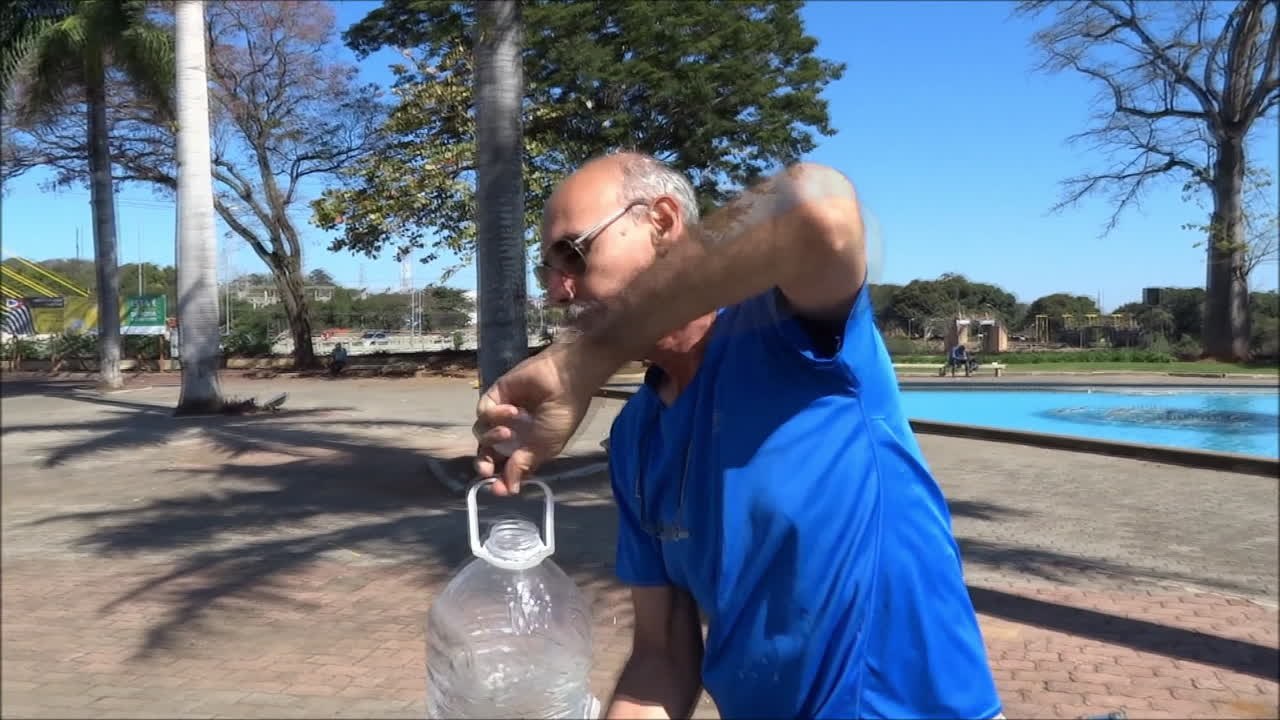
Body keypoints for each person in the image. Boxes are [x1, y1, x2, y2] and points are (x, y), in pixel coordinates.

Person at [473, 153, 1002, 720]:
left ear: (664, 222)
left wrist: (585, 356)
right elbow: (664, 657)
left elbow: (816, 206)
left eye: (573, 254)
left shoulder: (789, 331)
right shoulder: (636, 436)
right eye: (546, 272)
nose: (558, 291)